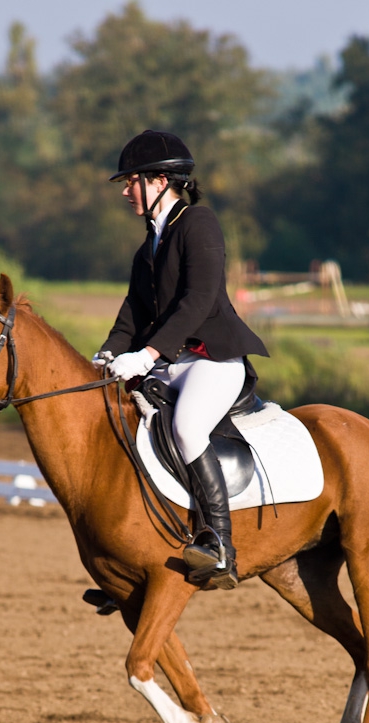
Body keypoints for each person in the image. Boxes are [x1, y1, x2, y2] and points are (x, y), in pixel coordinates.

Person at [94, 130, 268, 590]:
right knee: (124, 424)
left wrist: (147, 354)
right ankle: (132, 559)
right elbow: (130, 315)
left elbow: (198, 300)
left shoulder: (198, 223)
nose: (126, 192)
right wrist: (107, 356)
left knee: (187, 427)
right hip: (169, 363)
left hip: (211, 358)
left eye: (131, 182)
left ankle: (219, 546)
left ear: (160, 181)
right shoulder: (146, 247)